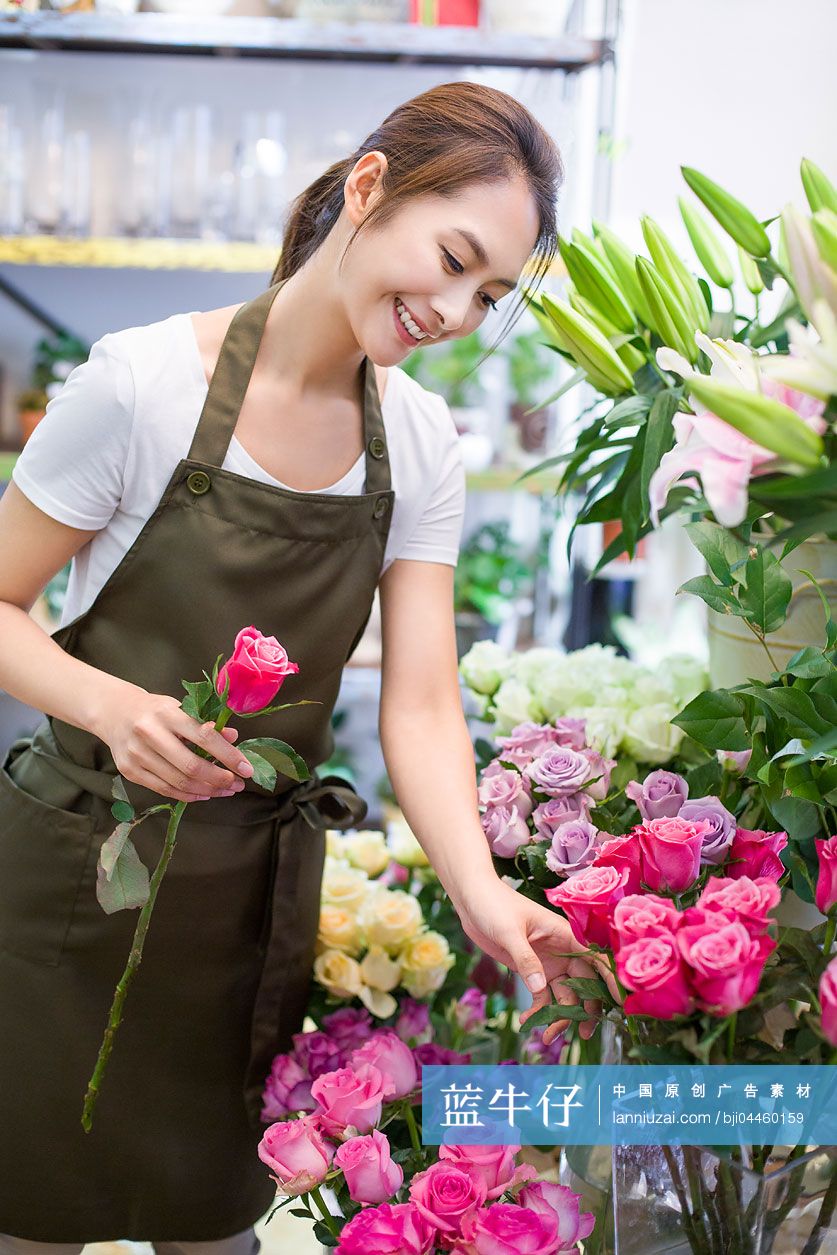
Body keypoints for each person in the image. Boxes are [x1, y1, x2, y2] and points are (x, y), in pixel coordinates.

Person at [0, 81, 618, 1253]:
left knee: (213, 1226)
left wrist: (483, 895)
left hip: (247, 912)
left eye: (488, 295)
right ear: (369, 187)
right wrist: (110, 705)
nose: (454, 309)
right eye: (453, 259)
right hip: (67, 891)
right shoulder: (141, 385)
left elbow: (421, 706)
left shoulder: (420, 447)